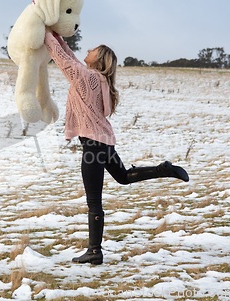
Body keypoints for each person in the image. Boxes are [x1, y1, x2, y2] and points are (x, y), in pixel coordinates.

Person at [44, 29, 189, 265]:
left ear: (98, 59)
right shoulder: (97, 79)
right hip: (104, 142)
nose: (87, 51)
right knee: (122, 177)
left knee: (94, 201)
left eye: (93, 50)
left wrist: (42, 29)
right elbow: (68, 55)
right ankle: (163, 170)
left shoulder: (86, 78)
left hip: (93, 147)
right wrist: (57, 35)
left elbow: (60, 58)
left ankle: (94, 251)